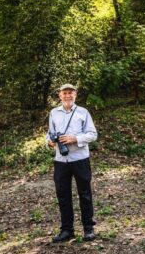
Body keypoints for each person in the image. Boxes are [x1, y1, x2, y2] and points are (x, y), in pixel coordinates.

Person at [47, 83, 98, 243]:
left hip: (80, 159)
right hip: (60, 161)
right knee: (63, 196)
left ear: (75, 95)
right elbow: (49, 134)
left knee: (85, 194)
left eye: (70, 93)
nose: (67, 96)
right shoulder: (53, 113)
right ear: (60, 96)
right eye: (65, 93)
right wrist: (50, 141)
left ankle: (88, 229)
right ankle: (66, 230)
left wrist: (75, 138)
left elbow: (93, 134)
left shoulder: (83, 112)